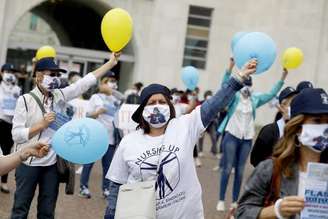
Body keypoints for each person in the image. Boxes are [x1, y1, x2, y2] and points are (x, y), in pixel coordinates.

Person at [103, 59, 257, 219]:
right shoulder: (128, 142)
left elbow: (214, 105)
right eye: (151, 103)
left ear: (170, 106)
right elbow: (116, 186)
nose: (157, 106)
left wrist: (238, 78)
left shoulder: (185, 126)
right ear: (142, 111)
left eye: (162, 102)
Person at [11, 53, 120, 219]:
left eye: (57, 75)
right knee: (20, 209)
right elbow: (16, 135)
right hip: (28, 162)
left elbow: (84, 82)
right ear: (39, 76)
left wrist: (111, 63)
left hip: (52, 165)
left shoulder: (60, 95)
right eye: (51, 74)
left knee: (47, 212)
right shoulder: (25, 100)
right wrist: (39, 125)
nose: (55, 78)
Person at [236, 88, 328, 219]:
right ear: (298, 126)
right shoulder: (270, 169)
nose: (325, 128)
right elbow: (242, 212)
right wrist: (276, 210)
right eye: (317, 121)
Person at [216, 59, 288, 211]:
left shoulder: (255, 100)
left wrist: (282, 77)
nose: (246, 87)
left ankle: (235, 201)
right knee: (227, 169)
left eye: (249, 84)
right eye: (245, 84)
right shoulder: (234, 97)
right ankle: (221, 199)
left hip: (247, 139)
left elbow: (271, 94)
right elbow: (224, 86)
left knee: (240, 171)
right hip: (231, 136)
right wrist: (229, 67)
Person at [80, 70, 123, 199]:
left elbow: (123, 98)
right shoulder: (95, 97)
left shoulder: (115, 99)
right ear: (103, 82)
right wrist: (97, 112)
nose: (113, 83)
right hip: (96, 137)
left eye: (114, 81)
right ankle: (83, 187)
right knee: (88, 164)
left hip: (110, 138)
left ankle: (105, 189)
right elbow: (87, 115)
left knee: (108, 166)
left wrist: (112, 92)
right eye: (110, 81)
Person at [250, 86, 298, 167]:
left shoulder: (300, 131)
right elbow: (255, 159)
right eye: (292, 103)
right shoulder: (268, 131)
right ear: (282, 106)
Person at [0, 63, 21, 193]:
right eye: (8, 71)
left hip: (10, 124)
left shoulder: (17, 89)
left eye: (12, 72)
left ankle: (4, 182)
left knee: (7, 151)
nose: (10, 74)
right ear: (2, 72)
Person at [198, 90, 220, 157]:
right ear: (205, 97)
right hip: (203, 123)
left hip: (211, 123)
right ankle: (200, 151)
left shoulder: (214, 103)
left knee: (214, 137)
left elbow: (216, 114)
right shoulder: (201, 103)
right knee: (201, 137)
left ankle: (215, 152)